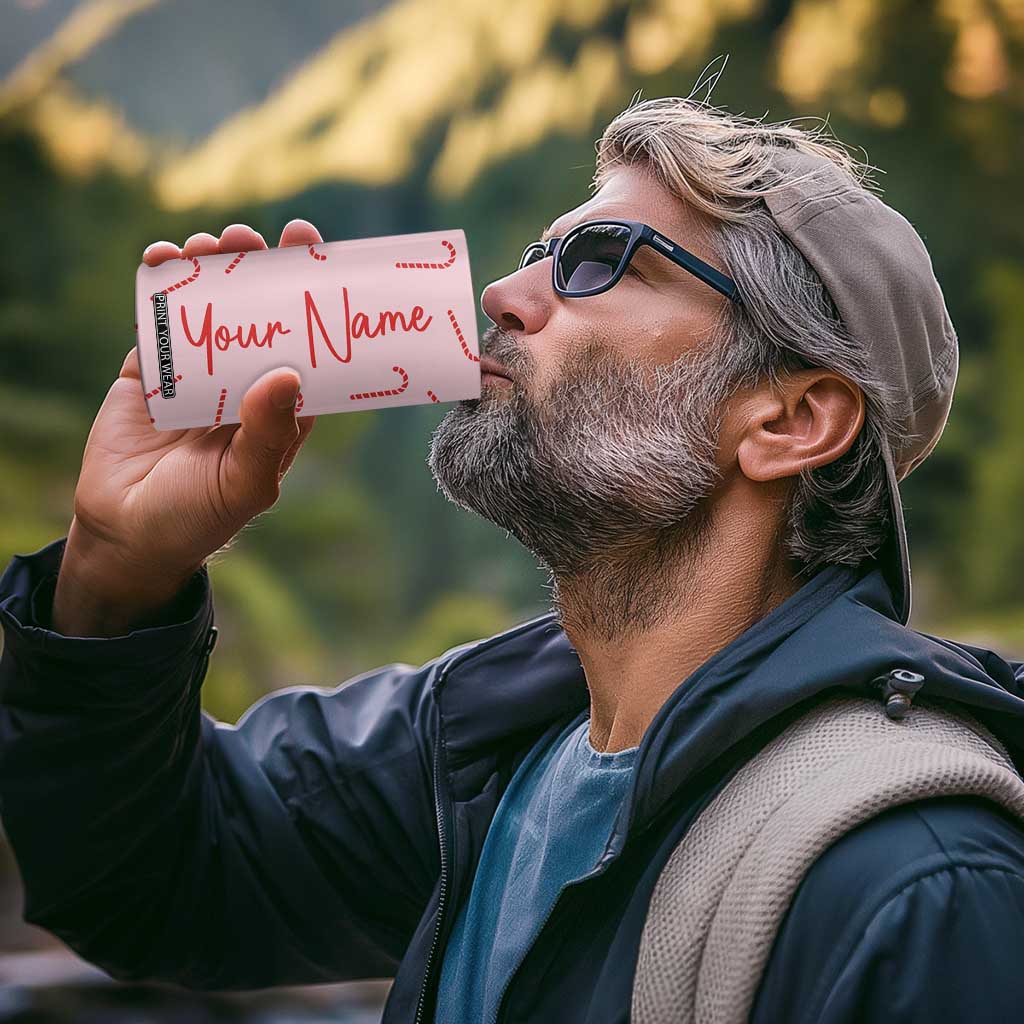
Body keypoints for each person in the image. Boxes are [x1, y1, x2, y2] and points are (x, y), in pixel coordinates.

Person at [2, 94, 1024, 1024]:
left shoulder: (918, 885)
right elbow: (149, 879)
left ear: (790, 419)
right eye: (540, 252)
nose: (503, 291)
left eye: (599, 261)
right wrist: (115, 572)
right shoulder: (480, 750)